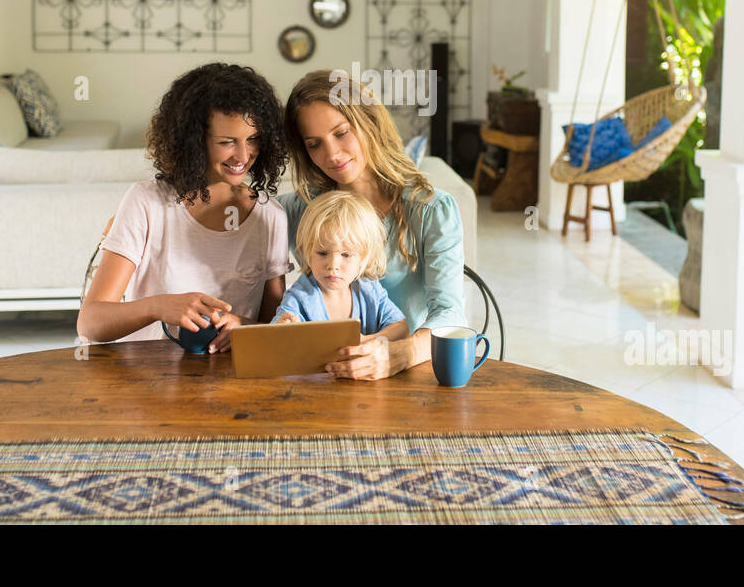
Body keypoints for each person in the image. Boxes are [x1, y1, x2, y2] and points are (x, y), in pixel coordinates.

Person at [77, 63, 293, 350]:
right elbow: (90, 323)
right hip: (147, 379)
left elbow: (273, 328)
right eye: (227, 142)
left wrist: (242, 326)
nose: (243, 155)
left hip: (229, 380)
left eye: (253, 139)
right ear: (194, 141)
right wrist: (159, 306)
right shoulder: (146, 203)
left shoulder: (270, 217)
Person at [279, 70, 467, 380]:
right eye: (314, 144)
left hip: (408, 375)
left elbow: (449, 311)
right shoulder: (302, 207)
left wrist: (399, 355)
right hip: (324, 377)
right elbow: (242, 219)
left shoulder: (430, 208)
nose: (332, 154)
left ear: (368, 122)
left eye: (341, 133)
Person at [273, 191, 409, 342]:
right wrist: (283, 328)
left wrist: (365, 341)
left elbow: (401, 328)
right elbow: (275, 335)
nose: (333, 265)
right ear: (307, 252)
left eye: (345, 255)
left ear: (363, 257)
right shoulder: (299, 298)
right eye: (322, 253)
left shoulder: (369, 289)